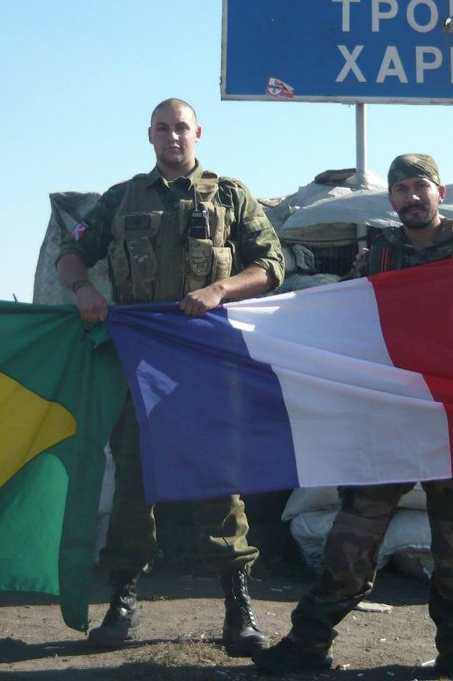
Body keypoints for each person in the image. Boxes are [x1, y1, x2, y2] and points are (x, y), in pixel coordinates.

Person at [55, 98, 284, 656]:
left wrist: (218, 291)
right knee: (134, 475)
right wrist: (84, 289)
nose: (173, 137)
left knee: (215, 478)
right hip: (142, 361)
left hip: (205, 359)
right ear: (150, 135)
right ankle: (123, 602)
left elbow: (271, 264)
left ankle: (238, 607)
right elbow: (71, 253)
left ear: (197, 133)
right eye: (163, 128)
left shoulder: (230, 195)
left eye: (182, 127)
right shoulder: (120, 198)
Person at [254, 154, 453, 681]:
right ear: (391, 198)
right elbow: (348, 323)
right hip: (387, 419)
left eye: (420, 187)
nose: (411, 197)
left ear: (441, 192)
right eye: (401, 189)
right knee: (354, 535)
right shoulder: (378, 256)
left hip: (452, 419)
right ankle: (308, 641)